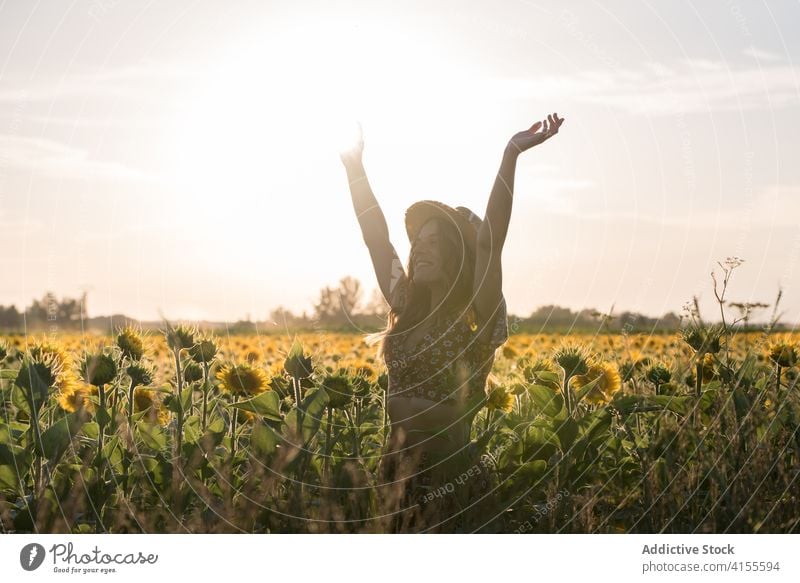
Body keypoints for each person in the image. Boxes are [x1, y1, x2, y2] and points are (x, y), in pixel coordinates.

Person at [340, 113, 566, 531]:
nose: (419, 251)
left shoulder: (475, 315)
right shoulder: (406, 306)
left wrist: (510, 155)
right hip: (396, 475)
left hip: (450, 478)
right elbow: (376, 236)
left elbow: (490, 240)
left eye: (434, 243)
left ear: (457, 254)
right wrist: (354, 166)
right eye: (417, 244)